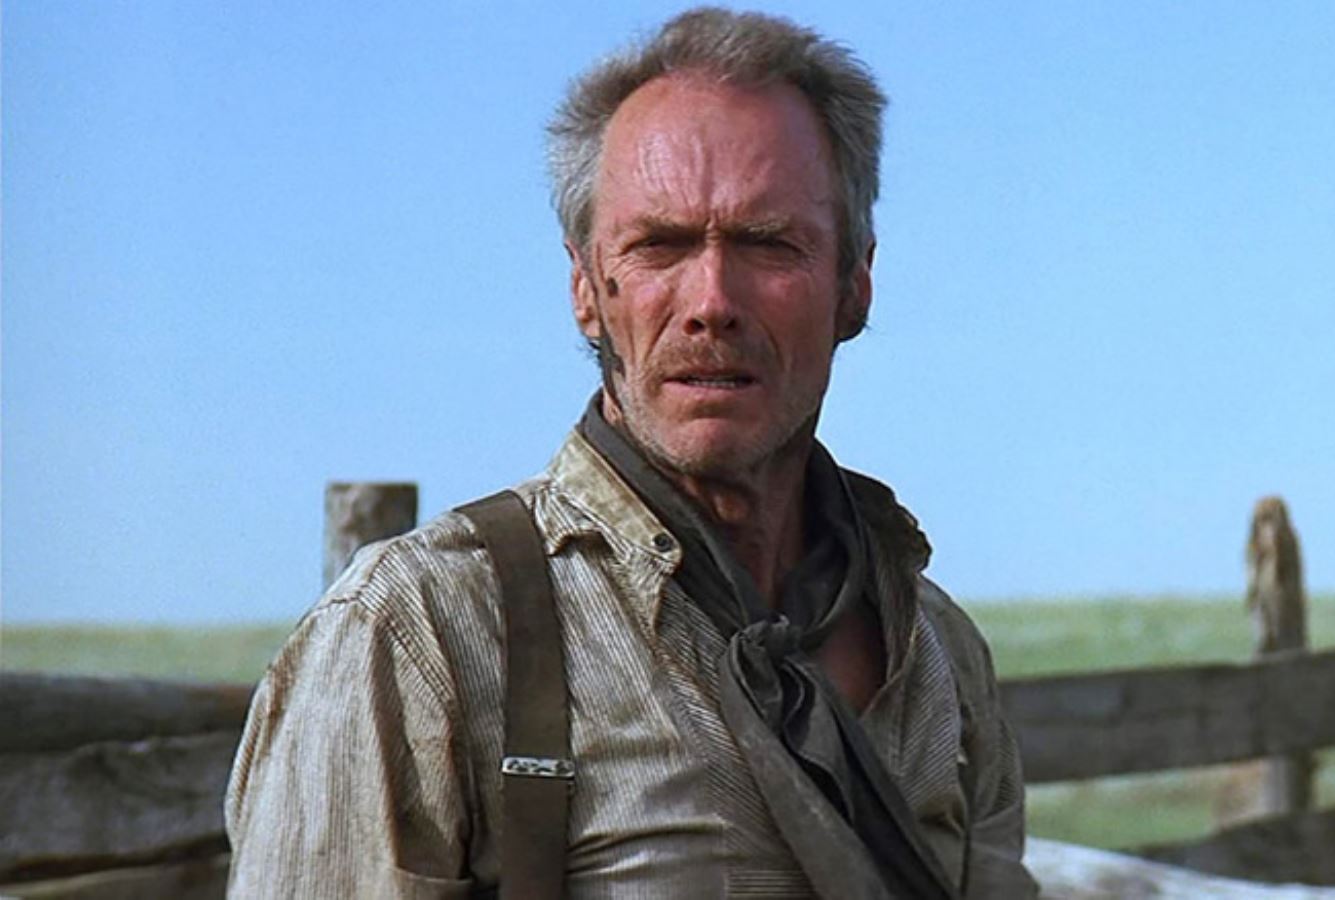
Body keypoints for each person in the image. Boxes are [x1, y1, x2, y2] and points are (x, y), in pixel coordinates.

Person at [226, 8, 1038, 898]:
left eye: (769, 244)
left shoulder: (936, 652)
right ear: (586, 288)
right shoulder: (423, 631)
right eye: (661, 245)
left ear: (855, 284)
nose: (711, 301)